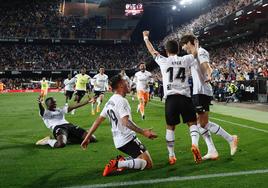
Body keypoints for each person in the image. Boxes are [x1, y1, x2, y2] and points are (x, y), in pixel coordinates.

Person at [143, 30, 202, 164]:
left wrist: (146, 38)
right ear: (178, 49)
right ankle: (194, 144)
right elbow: (194, 53)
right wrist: (196, 43)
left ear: (166, 50)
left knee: (170, 127)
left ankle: (171, 155)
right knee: (192, 123)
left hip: (171, 99)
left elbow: (152, 51)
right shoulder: (185, 59)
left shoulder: (163, 61)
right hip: (185, 97)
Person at [81, 75, 157, 176]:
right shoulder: (121, 101)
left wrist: (87, 137)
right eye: (126, 82)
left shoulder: (110, 101)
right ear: (121, 85)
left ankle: (122, 160)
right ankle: (118, 164)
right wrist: (144, 132)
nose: (128, 84)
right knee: (148, 164)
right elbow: (125, 122)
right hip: (128, 139)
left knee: (141, 158)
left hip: (118, 141)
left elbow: (98, 121)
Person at [180, 34, 238, 159]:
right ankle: (212, 150)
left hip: (202, 92)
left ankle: (230, 138)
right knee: (197, 122)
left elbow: (207, 66)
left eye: (184, 46)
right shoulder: (193, 55)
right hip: (197, 92)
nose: (183, 49)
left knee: (203, 123)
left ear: (189, 43)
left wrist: (209, 74)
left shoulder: (201, 52)